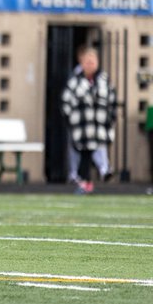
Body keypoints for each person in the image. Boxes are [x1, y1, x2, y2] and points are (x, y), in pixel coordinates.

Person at [61, 46, 115, 194]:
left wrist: (111, 117)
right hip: (81, 126)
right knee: (82, 154)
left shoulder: (103, 80)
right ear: (81, 62)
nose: (90, 63)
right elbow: (66, 102)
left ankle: (101, 172)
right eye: (87, 60)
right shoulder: (75, 81)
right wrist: (70, 120)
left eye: (93, 60)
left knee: (97, 149)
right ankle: (82, 180)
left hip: (98, 126)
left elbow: (111, 99)